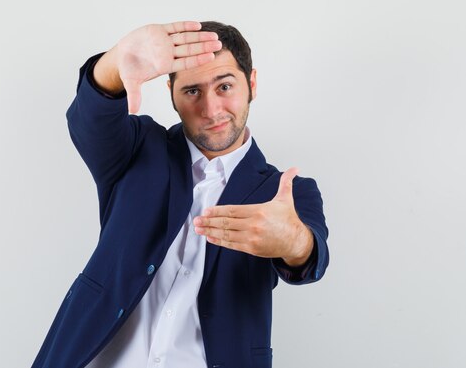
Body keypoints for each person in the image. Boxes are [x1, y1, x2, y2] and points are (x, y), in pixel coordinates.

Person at [31, 21, 329, 368]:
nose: (211, 109)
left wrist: (294, 242)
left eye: (225, 86)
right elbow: (91, 121)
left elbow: (312, 256)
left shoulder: (286, 191)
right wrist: (114, 63)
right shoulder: (139, 149)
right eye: (192, 92)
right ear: (172, 94)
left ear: (252, 84)